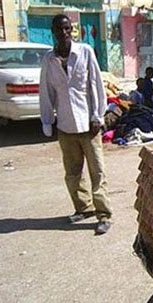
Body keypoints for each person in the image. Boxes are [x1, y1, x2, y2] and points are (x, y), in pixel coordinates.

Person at [39, 14, 112, 235]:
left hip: (88, 125)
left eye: (67, 29)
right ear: (53, 31)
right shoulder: (49, 60)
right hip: (65, 125)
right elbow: (46, 91)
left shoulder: (85, 53)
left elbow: (96, 86)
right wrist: (47, 120)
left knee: (97, 171)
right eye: (59, 29)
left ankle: (104, 215)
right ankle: (83, 207)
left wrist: (98, 116)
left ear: (72, 30)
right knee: (72, 172)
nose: (64, 33)